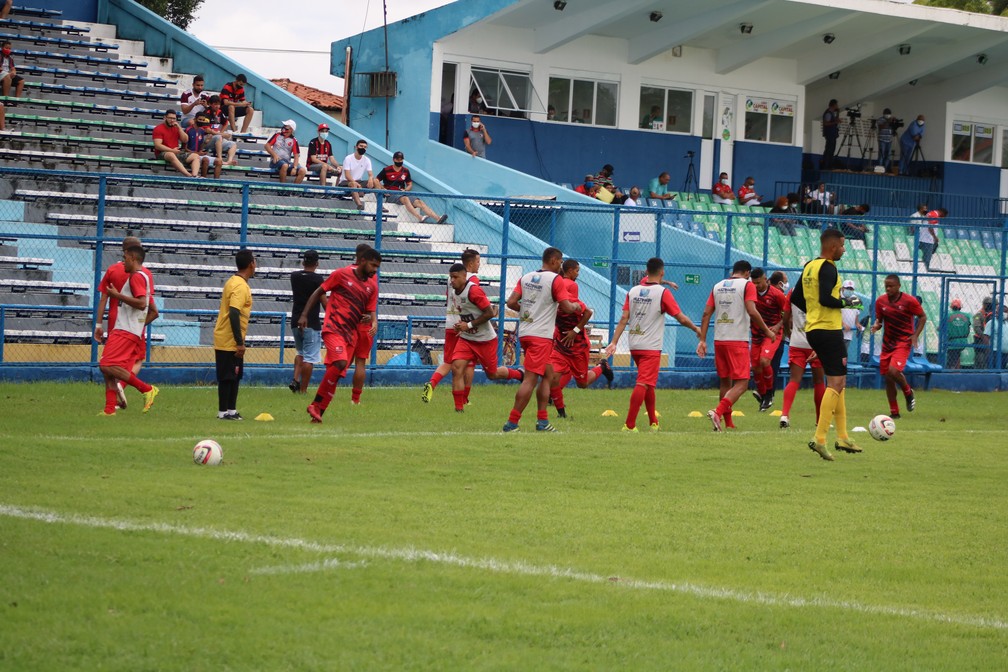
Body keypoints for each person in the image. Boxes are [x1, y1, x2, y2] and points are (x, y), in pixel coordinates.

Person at [791, 228, 863, 460]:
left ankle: (842, 437)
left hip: (813, 329)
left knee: (837, 381)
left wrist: (815, 315)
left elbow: (796, 298)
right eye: (842, 245)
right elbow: (825, 298)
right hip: (829, 330)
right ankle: (820, 438)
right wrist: (848, 301)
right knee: (838, 382)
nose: (843, 249)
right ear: (833, 246)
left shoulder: (809, 265)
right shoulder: (829, 267)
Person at [605, 257, 700, 432]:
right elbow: (680, 317)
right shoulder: (663, 293)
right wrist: (695, 328)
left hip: (635, 344)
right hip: (651, 347)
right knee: (643, 383)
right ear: (662, 272)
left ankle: (653, 422)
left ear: (646, 271)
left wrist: (614, 342)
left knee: (648, 384)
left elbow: (624, 318)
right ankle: (629, 424)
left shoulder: (633, 291)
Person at [501, 247, 578, 432]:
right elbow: (566, 307)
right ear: (553, 260)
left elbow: (511, 302)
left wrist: (529, 312)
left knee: (548, 375)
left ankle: (542, 421)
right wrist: (576, 306)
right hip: (541, 336)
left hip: (526, 332)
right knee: (530, 379)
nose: (561, 266)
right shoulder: (555, 279)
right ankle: (512, 423)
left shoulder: (526, 277)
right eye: (560, 262)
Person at [300, 247, 381, 423]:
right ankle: (315, 405)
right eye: (373, 265)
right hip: (334, 328)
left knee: (336, 372)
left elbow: (369, 311)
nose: (375, 270)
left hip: (351, 333)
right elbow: (319, 292)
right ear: (363, 261)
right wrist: (304, 314)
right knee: (341, 362)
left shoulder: (372, 286)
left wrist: (370, 319)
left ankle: (318, 411)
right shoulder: (341, 274)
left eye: (377, 267)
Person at [696, 260, 774, 431]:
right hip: (737, 339)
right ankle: (717, 412)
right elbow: (752, 311)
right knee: (742, 383)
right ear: (747, 272)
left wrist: (702, 340)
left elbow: (706, 313)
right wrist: (767, 331)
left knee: (726, 382)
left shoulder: (718, 285)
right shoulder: (747, 285)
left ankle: (728, 423)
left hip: (719, 339)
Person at [447, 264, 524, 412]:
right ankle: (458, 409)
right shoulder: (453, 291)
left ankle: (520, 374)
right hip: (466, 339)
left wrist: (468, 325)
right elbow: (467, 313)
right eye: (451, 277)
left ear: (464, 276)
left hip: (484, 340)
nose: (453, 280)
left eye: (456, 277)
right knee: (456, 368)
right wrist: (461, 325)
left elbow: (490, 313)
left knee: (492, 374)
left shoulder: (474, 290)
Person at [94, 236, 159, 410]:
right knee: (108, 367)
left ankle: (146, 389)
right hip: (124, 328)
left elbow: (141, 303)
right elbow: (153, 308)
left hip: (124, 328)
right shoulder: (145, 275)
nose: (123, 262)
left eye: (125, 258)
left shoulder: (132, 276)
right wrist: (140, 326)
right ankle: (109, 410)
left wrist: (99, 324)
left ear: (130, 255)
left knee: (107, 365)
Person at [548, 259, 614, 419]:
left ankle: (602, 366)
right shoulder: (552, 297)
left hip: (578, 346)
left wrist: (575, 331)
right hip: (561, 345)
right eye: (577, 271)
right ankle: (561, 413)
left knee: (582, 384)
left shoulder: (571, 299)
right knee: (553, 377)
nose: (578, 275)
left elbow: (587, 312)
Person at [871, 274, 926, 418]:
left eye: (891, 286)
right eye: (886, 286)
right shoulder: (881, 301)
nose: (888, 289)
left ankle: (908, 392)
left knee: (893, 371)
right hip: (888, 343)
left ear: (898, 286)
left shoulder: (909, 301)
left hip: (903, 341)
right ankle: (894, 412)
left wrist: (915, 335)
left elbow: (923, 317)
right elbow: (880, 320)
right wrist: (877, 325)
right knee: (888, 378)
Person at [213, 250, 255, 420]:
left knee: (234, 376)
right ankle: (223, 412)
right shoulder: (240, 286)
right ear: (251, 264)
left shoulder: (233, 281)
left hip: (228, 337)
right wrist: (239, 342)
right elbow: (234, 312)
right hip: (228, 339)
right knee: (228, 376)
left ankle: (231, 410)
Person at [779, 285, 825, 430]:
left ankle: (785, 414)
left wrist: (790, 334)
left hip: (797, 341)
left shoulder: (793, 290)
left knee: (794, 380)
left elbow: (785, 318)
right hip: (816, 343)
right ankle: (820, 420)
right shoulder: (821, 289)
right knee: (819, 382)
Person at [748, 268, 787, 412]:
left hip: (772, 333)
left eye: (758, 282)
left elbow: (787, 313)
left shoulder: (777, 294)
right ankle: (764, 395)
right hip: (756, 334)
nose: (756, 286)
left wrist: (777, 327)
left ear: (765, 279)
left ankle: (769, 395)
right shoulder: (750, 293)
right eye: (754, 283)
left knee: (765, 361)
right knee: (755, 367)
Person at [376, 151, 449, 223]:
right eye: (398, 159)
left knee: (419, 202)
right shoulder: (386, 170)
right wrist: (384, 189)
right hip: (391, 195)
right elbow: (376, 180)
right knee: (405, 199)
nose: (399, 161)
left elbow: (410, 184)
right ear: (394, 159)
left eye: (401, 159)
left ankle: (438, 218)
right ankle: (419, 217)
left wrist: (405, 190)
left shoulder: (405, 171)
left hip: (402, 193)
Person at [288, 249, 325, 394]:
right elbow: (323, 301)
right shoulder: (317, 279)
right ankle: (303, 389)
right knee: (310, 358)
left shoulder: (294, 276)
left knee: (300, 352)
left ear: (303, 262)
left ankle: (296, 379)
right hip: (311, 322)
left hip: (295, 320)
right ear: (317, 263)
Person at [350, 244, 379, 406]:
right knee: (360, 362)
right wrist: (374, 321)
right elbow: (371, 305)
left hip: (347, 323)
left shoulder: (346, 272)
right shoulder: (372, 277)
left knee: (340, 362)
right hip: (364, 323)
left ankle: (327, 392)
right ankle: (355, 399)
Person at [152, 109, 201, 177]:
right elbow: (157, 145)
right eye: (170, 118)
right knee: (171, 154)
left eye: (174, 118)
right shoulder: (158, 129)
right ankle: (188, 175)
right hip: (162, 153)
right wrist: (172, 150)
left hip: (176, 152)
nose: (172, 120)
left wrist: (179, 128)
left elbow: (185, 140)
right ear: (165, 117)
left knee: (195, 156)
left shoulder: (176, 128)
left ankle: (194, 175)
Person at [339, 139, 376, 211]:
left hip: (358, 181)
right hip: (345, 182)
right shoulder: (348, 158)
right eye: (361, 146)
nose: (363, 148)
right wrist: (355, 183)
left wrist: (371, 178)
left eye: (365, 147)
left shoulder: (367, 160)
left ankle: (380, 206)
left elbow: (370, 173)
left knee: (376, 181)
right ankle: (359, 204)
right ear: (356, 147)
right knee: (353, 184)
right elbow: (347, 175)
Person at [264, 119, 307, 184]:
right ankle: (283, 188)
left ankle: (293, 191)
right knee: (285, 165)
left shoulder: (294, 140)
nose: (284, 129)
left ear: (291, 130)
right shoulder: (277, 135)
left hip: (287, 162)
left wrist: (295, 168)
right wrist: (274, 155)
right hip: (276, 161)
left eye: (286, 128)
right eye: (284, 127)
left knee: (302, 171)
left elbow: (296, 155)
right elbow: (267, 145)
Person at [201, 95, 238, 167]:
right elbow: (207, 129)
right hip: (206, 139)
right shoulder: (206, 113)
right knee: (218, 137)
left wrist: (221, 132)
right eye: (215, 104)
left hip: (217, 138)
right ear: (210, 104)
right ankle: (220, 159)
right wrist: (221, 134)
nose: (217, 106)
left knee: (233, 144)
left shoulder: (220, 112)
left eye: (218, 104)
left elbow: (225, 123)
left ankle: (229, 161)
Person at [186, 115, 221, 179]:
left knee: (219, 161)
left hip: (198, 154)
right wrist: (197, 153)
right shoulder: (188, 130)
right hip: (190, 155)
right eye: (200, 119)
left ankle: (216, 185)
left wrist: (205, 143)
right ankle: (203, 183)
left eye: (203, 120)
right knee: (205, 160)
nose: (201, 121)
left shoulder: (202, 131)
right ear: (195, 119)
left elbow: (200, 147)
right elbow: (185, 148)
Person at [945, 299, 972, 369]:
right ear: (960, 307)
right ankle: (957, 371)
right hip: (963, 341)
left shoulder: (948, 315)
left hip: (952, 342)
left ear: (951, 307)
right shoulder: (966, 316)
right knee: (957, 356)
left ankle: (952, 372)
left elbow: (940, 328)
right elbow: (968, 328)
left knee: (951, 361)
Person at [840, 279, 863, 354]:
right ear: (843, 288)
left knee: (844, 355)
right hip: (837, 332)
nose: (849, 290)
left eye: (851, 289)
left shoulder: (856, 300)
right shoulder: (838, 298)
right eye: (847, 288)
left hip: (849, 334)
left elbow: (856, 313)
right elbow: (834, 314)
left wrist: (857, 323)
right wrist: (843, 324)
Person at [983, 304, 1008, 369]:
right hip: (995, 353)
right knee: (993, 372)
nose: (1006, 314)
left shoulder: (1006, 323)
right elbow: (986, 337)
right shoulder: (992, 322)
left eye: (1006, 312)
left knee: (1001, 372)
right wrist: (988, 352)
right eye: (1004, 312)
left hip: (1005, 354)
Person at [972, 296, 993, 369]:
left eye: (990, 304)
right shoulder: (979, 314)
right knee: (980, 359)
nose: (989, 305)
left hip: (989, 339)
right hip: (980, 339)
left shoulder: (992, 314)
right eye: (987, 304)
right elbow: (977, 328)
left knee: (988, 359)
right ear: (984, 304)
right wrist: (984, 337)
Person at [821, 99, 840, 170]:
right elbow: (826, 123)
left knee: (831, 149)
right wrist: (835, 122)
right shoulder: (828, 113)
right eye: (837, 105)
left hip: (832, 134)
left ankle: (829, 164)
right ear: (834, 105)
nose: (837, 106)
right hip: (830, 134)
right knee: (829, 150)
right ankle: (826, 165)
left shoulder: (832, 113)